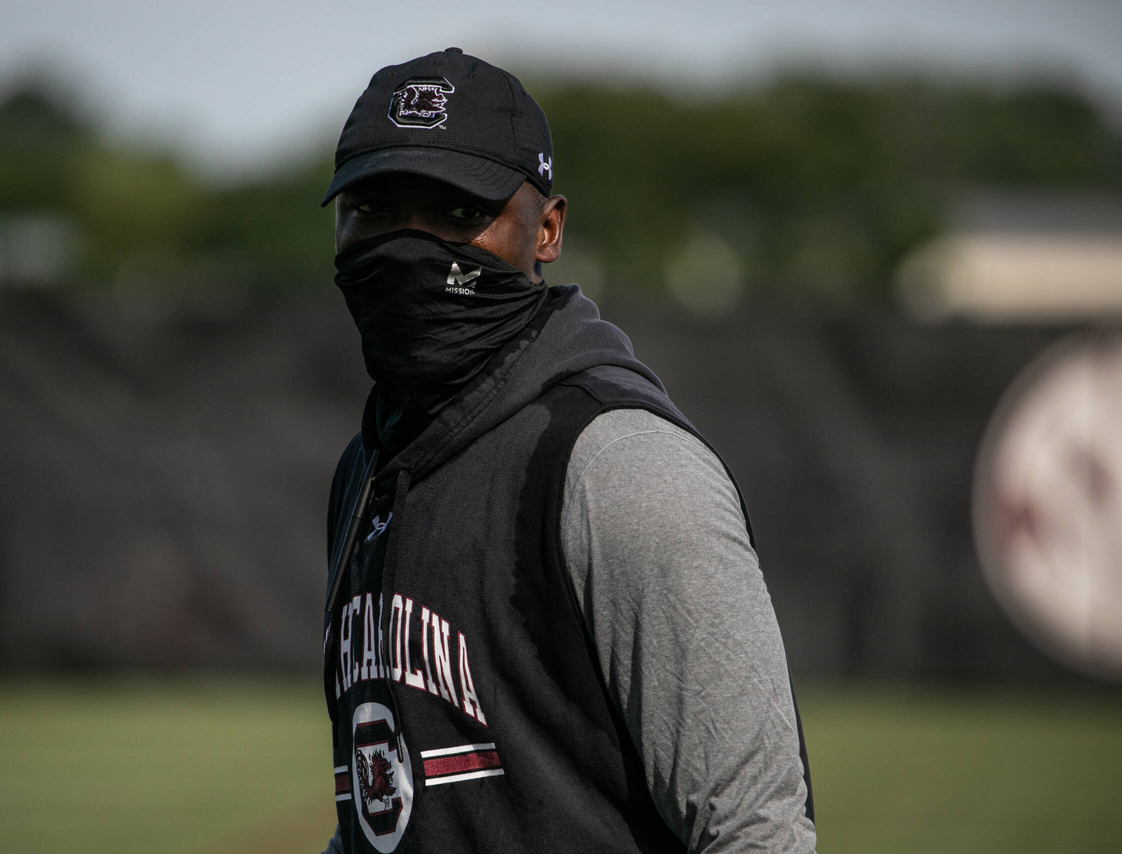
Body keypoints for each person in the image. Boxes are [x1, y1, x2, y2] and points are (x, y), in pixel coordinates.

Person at [319, 48, 815, 854]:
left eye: (455, 212)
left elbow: (754, 831)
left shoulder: (620, 466)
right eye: (374, 209)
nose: (410, 245)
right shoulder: (368, 467)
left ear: (547, 230)